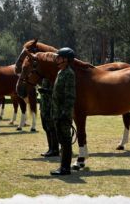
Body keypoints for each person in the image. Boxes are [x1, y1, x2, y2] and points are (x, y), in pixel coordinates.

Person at [50, 47, 76, 176]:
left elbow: (69, 96)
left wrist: (65, 114)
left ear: (66, 59)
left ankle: (65, 168)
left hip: (63, 114)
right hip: (57, 113)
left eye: (59, 57)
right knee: (62, 141)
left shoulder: (69, 74)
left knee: (66, 141)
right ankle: (63, 166)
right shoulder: (61, 72)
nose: (57, 58)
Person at [38, 78, 59, 157]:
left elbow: (57, 92)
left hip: (50, 106)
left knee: (52, 128)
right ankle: (50, 148)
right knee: (46, 128)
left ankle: (55, 149)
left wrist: (45, 90)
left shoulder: (52, 77)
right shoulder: (43, 78)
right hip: (43, 106)